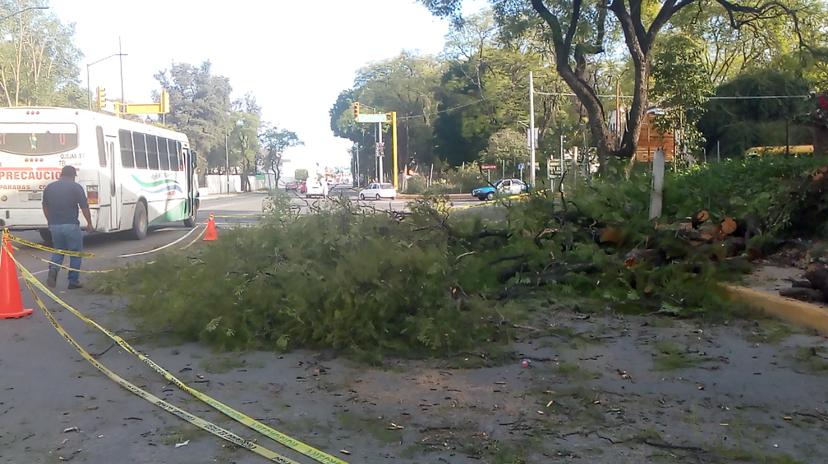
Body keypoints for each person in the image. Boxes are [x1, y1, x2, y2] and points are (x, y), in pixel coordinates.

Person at [42, 165, 95, 289]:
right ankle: (73, 281)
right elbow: (84, 207)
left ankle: (54, 269)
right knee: (75, 253)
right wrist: (89, 223)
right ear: (73, 176)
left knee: (59, 250)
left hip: (55, 226)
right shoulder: (76, 187)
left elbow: (45, 207)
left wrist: (50, 221)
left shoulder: (49, 187)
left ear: (61, 174)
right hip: (71, 225)